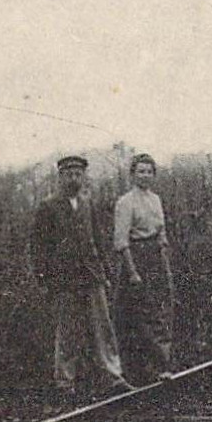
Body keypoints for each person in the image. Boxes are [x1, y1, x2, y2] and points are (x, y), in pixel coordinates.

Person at [30, 155, 134, 399]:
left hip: (91, 276)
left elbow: (97, 240)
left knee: (102, 329)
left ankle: (112, 376)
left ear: (84, 176)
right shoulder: (48, 206)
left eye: (78, 174)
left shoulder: (88, 204)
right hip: (64, 280)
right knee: (68, 331)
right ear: (60, 177)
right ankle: (65, 382)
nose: (74, 178)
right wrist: (44, 280)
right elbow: (38, 248)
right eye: (69, 174)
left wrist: (105, 273)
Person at [113, 152, 174, 385]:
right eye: (141, 171)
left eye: (149, 171)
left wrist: (163, 256)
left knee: (160, 310)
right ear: (132, 174)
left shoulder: (155, 199)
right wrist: (133, 272)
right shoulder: (125, 202)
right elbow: (121, 241)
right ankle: (137, 369)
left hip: (155, 258)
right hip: (135, 258)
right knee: (137, 313)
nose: (145, 175)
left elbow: (161, 230)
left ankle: (162, 365)